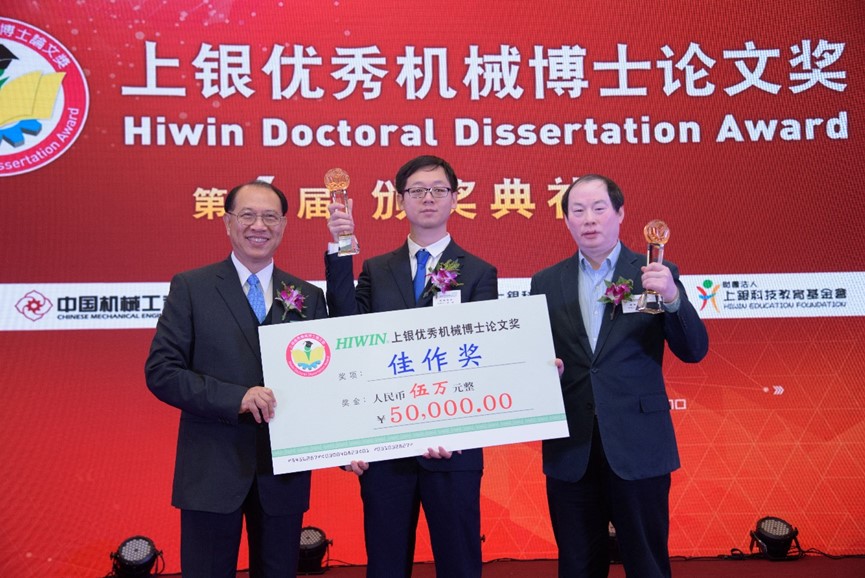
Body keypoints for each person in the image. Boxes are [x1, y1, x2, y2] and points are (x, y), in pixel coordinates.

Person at [324, 155, 497, 578]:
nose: (428, 198)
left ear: (455, 198)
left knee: (459, 564)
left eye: (438, 189)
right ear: (400, 200)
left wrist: (454, 428)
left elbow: (483, 359)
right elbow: (345, 327)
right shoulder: (377, 269)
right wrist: (343, 244)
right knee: (386, 563)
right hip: (387, 445)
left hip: (452, 446)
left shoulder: (479, 273)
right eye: (417, 190)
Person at [145, 180, 328, 578]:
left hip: (282, 474)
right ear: (228, 222)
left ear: (284, 225)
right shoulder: (192, 287)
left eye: (270, 217)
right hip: (211, 469)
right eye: (247, 215)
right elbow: (161, 372)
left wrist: (347, 443)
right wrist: (236, 398)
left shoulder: (308, 296)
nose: (259, 226)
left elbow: (323, 383)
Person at [530, 174, 709, 578]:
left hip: (638, 443)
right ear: (566, 220)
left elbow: (694, 350)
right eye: (578, 211)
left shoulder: (654, 272)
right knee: (577, 565)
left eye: (599, 208)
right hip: (572, 448)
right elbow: (536, 357)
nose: (589, 219)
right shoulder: (546, 281)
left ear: (620, 213)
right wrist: (544, 370)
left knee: (647, 563)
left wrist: (673, 299)